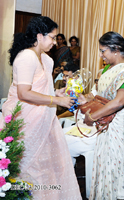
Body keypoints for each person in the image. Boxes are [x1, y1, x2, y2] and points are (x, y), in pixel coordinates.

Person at [0, 16, 82, 199]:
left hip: (44, 118)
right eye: (52, 38)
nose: (55, 42)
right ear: (39, 36)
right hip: (25, 119)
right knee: (29, 164)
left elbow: (44, 88)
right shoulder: (26, 57)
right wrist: (56, 101)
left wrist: (58, 95)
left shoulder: (46, 59)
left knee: (47, 165)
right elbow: (24, 93)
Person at [78, 31, 124, 199]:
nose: (101, 55)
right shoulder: (108, 68)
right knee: (104, 164)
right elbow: (99, 94)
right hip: (106, 124)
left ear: (116, 50)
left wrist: (93, 116)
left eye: (103, 51)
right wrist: (85, 99)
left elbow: (119, 101)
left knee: (116, 167)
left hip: (120, 127)